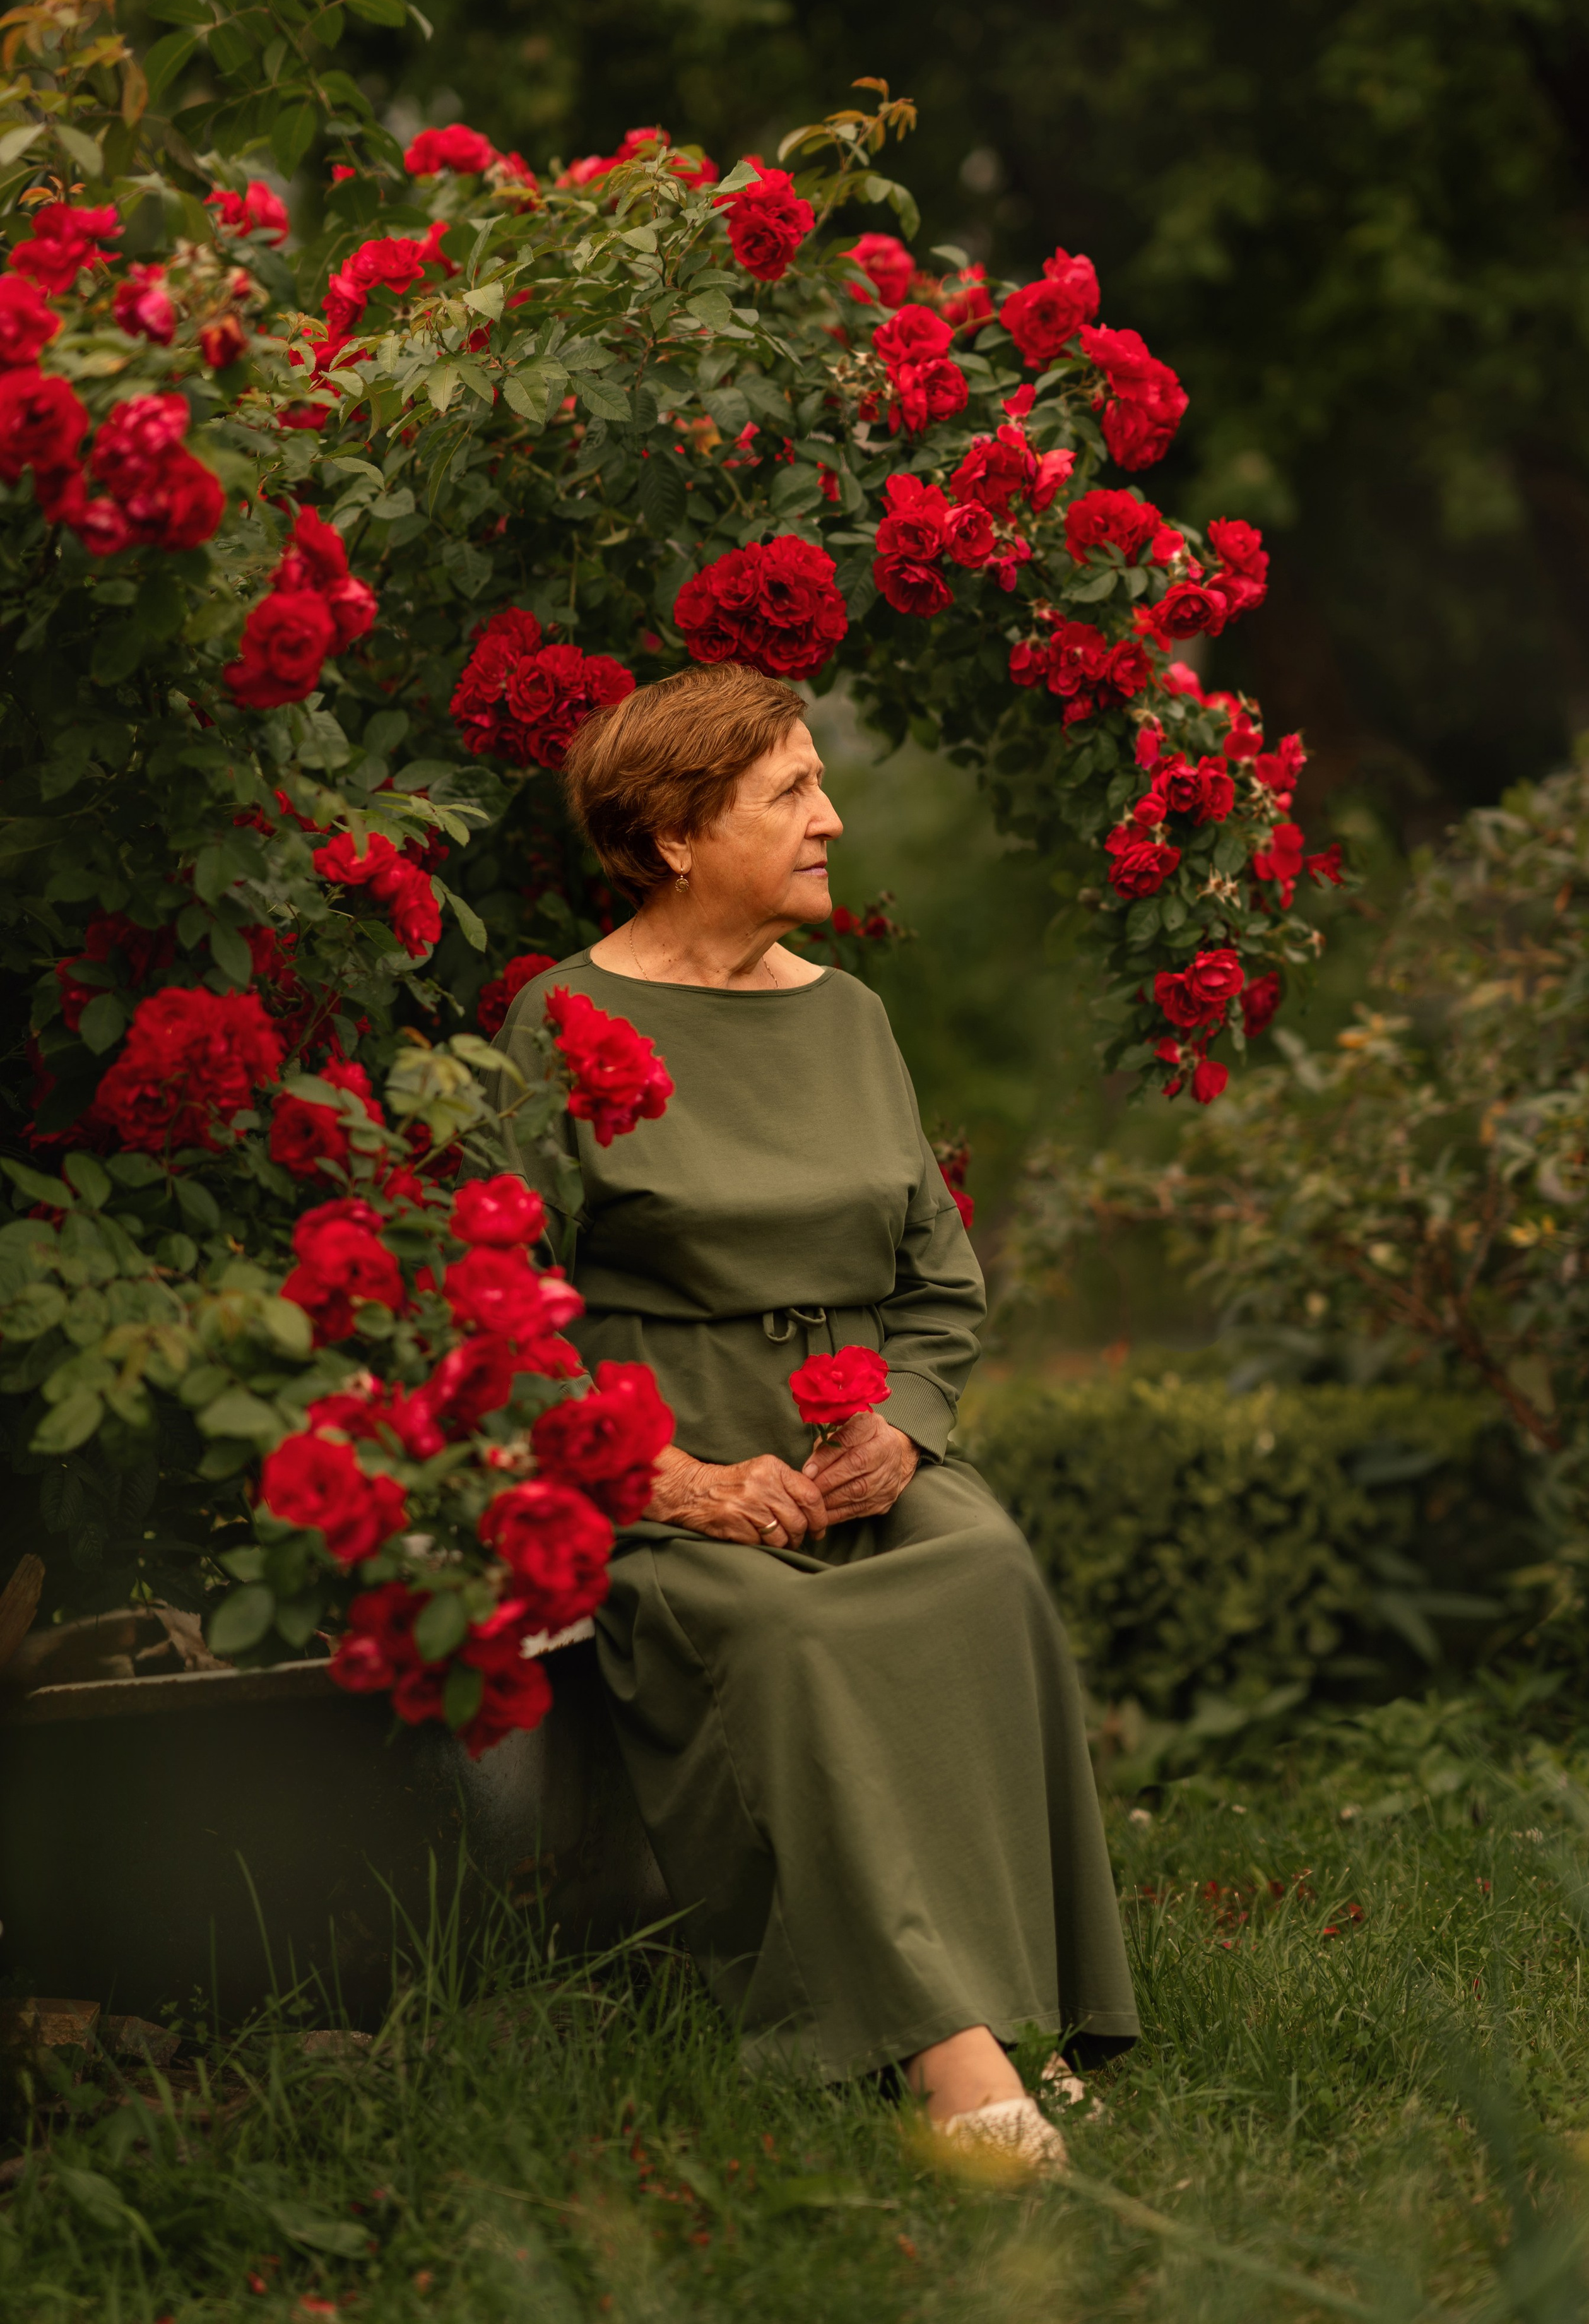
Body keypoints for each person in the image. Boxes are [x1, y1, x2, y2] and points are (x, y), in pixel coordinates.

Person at [495, 661, 1137, 2169]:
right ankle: (959, 2059)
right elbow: (501, 1304)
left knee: (981, 1572)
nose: (829, 819)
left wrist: (903, 1425)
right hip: (667, 1462)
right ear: (668, 835)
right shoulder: (558, 1019)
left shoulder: (849, 1016)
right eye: (788, 791)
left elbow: (936, 1273)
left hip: (858, 1452)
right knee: (789, 1640)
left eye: (817, 784)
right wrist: (667, 1479)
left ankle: (1020, 2003)